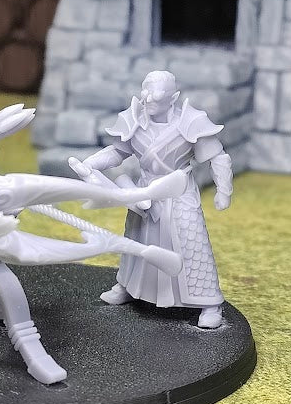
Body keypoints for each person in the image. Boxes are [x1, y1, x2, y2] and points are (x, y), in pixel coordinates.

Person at [76, 71, 233, 329]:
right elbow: (117, 152)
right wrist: (90, 164)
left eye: (156, 94)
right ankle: (127, 286)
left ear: (173, 97)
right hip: (144, 193)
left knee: (191, 245)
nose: (148, 99)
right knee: (137, 241)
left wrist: (223, 191)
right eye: (145, 91)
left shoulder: (191, 122)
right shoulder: (135, 119)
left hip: (178, 194)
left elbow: (217, 156)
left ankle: (209, 303)